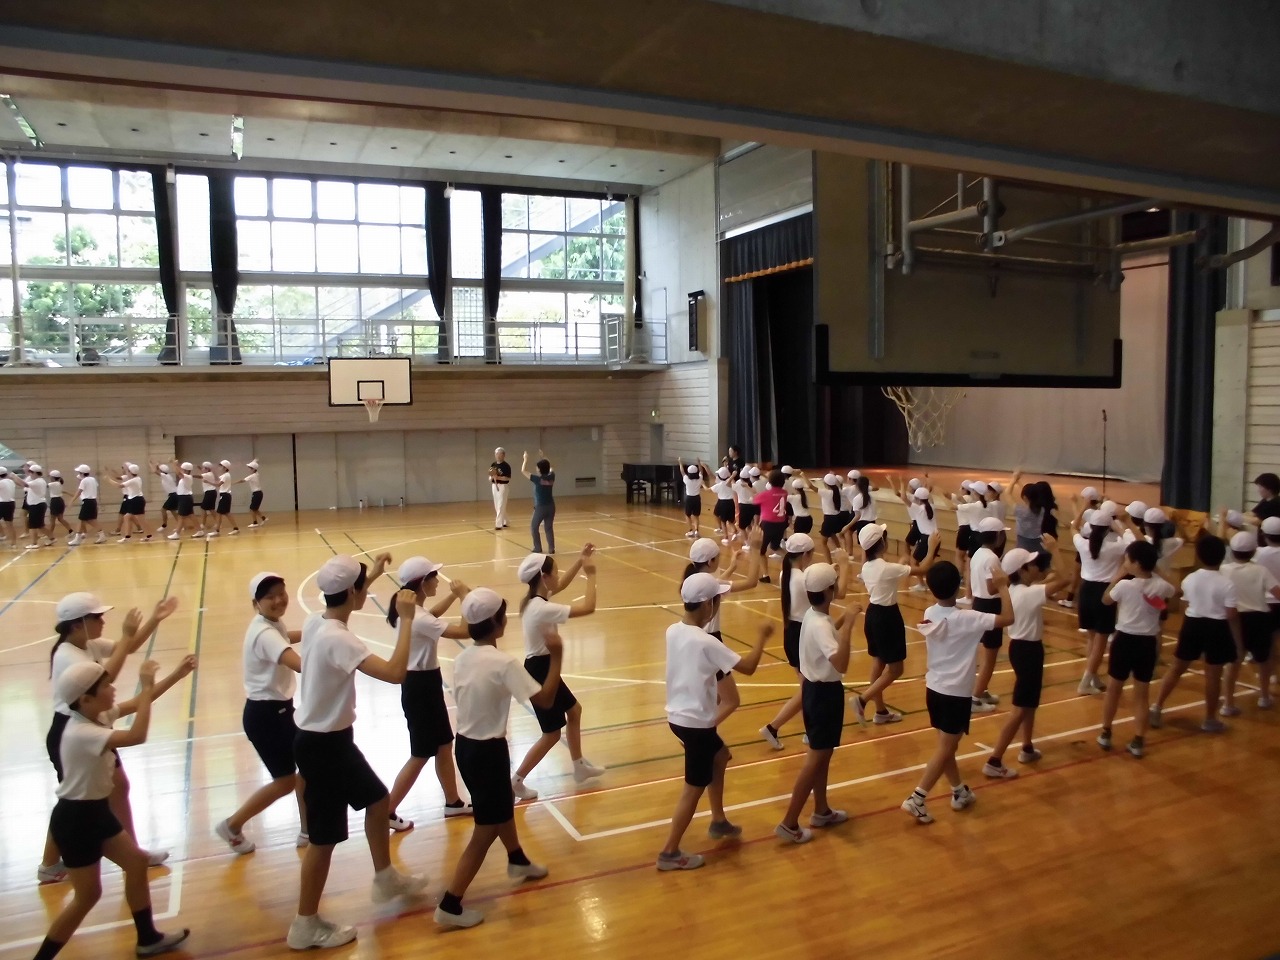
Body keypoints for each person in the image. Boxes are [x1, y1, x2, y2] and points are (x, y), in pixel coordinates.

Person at [288, 554, 426, 951]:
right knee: (323, 839)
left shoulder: (317, 622)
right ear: (352, 592)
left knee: (378, 800)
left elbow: (351, 594)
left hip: (328, 740)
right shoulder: (340, 639)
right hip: (324, 746)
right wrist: (407, 619)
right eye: (362, 585)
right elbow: (396, 673)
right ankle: (304, 924)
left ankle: (385, 878)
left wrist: (375, 571)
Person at [33, 660, 190, 960]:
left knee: (136, 863)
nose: (113, 688)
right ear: (85, 699)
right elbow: (136, 736)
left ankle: (148, 938)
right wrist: (146, 685)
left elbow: (141, 701)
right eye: (106, 685)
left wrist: (176, 675)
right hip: (76, 820)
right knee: (87, 897)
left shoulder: (97, 716)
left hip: (95, 812)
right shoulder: (82, 732)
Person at [433, 588, 560, 929]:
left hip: (466, 748)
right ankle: (450, 903)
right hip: (487, 752)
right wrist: (557, 656)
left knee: (501, 806)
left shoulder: (463, 657)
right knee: (485, 830)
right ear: (496, 623)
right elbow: (545, 701)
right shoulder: (504, 664)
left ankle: (517, 859)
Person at [40, 592, 183, 885]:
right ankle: (49, 864)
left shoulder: (87, 643)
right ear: (77, 624)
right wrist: (128, 633)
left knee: (118, 786)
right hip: (71, 731)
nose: (103, 621)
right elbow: (106, 678)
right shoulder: (67, 655)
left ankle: (133, 852)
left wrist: (155, 619)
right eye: (97, 617)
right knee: (73, 799)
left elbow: (126, 647)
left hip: (92, 721)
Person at [657, 573, 772, 870]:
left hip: (679, 717)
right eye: (717, 600)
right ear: (709, 604)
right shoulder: (706, 642)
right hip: (696, 724)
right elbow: (748, 667)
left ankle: (719, 820)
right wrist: (762, 637)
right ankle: (669, 852)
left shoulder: (673, 630)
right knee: (692, 788)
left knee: (720, 755)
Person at [901, 560, 1013, 825]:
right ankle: (917, 797)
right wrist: (1003, 587)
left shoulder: (931, 611)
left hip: (933, 689)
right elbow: (1009, 618)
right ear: (958, 586)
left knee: (946, 746)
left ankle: (959, 791)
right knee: (945, 748)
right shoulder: (969, 619)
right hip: (955, 694)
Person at [214, 572, 308, 855]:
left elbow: (286, 637)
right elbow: (299, 664)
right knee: (286, 781)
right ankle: (232, 825)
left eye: (281, 593)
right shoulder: (265, 634)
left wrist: (315, 631)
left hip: (277, 711)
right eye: (270, 597)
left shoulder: (270, 624)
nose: (279, 600)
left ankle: (308, 830)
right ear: (256, 603)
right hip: (267, 717)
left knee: (306, 767)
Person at [774, 562, 861, 843]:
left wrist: (843, 620)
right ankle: (789, 822)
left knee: (822, 755)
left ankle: (821, 810)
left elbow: (828, 638)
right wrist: (849, 624)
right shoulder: (821, 623)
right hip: (824, 696)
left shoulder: (812, 615)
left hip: (814, 692)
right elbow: (841, 663)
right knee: (814, 760)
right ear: (829, 591)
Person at [385, 557, 474, 830]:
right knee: (421, 753)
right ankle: (386, 811)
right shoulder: (419, 618)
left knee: (444, 745)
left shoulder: (411, 610)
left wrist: (451, 596)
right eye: (433, 576)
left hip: (425, 684)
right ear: (423, 583)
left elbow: (431, 614)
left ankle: (453, 802)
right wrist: (465, 598)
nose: (437, 580)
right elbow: (465, 631)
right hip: (420, 687)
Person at [511, 546, 603, 800]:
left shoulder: (534, 600)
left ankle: (579, 766)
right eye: (555, 572)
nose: (558, 576)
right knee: (551, 734)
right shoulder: (540, 608)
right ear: (543, 577)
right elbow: (589, 607)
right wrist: (591, 574)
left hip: (542, 666)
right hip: (540, 670)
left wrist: (580, 561)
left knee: (574, 711)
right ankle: (516, 781)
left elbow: (560, 584)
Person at [981, 544, 1070, 777]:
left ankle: (1027, 747)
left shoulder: (1013, 590)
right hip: (1029, 651)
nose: (1036, 567)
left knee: (1029, 703)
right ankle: (994, 760)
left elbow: (1050, 579)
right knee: (1020, 709)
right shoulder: (1030, 594)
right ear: (1022, 570)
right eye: (1031, 565)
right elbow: (1066, 579)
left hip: (1019, 649)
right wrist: (1056, 549)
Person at [761, 534, 850, 748]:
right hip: (801, 633)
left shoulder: (786, 573)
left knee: (806, 688)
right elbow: (840, 593)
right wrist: (845, 566)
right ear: (805, 555)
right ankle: (774, 727)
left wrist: (830, 572)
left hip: (792, 632)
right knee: (808, 690)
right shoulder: (802, 579)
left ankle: (802, 730)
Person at [1150, 536, 1244, 734]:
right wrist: (1238, 642)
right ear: (1222, 557)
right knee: (1213, 676)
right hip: (1217, 628)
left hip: (1192, 624)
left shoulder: (1190, 579)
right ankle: (1210, 719)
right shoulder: (1227, 584)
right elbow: (1231, 615)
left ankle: (1157, 706)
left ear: (1199, 556)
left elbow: (1185, 604)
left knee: (1176, 668)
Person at [1096, 541, 1178, 758]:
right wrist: (1157, 570)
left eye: (1127, 560)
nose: (1125, 563)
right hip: (1148, 643)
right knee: (1142, 694)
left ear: (1136, 563)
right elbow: (1177, 589)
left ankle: (1106, 732)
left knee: (1114, 689)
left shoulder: (1124, 586)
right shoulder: (1160, 586)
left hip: (1124, 641)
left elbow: (1105, 599)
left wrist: (1117, 577)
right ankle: (1139, 739)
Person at [852, 523, 940, 724]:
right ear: (882, 543)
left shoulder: (867, 567)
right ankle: (862, 700)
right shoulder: (887, 568)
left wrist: (901, 563)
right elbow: (924, 568)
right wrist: (932, 547)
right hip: (887, 617)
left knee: (878, 662)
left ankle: (880, 712)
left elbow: (890, 574)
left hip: (872, 615)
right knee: (896, 669)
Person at [683, 530, 763, 728]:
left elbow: (716, 587)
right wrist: (755, 549)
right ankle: (701, 732)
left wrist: (732, 567)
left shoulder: (694, 580)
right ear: (711, 561)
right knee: (731, 700)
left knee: (716, 696)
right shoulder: (712, 582)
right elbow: (751, 582)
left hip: (695, 638)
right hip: (710, 640)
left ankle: (700, 732)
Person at [1220, 530, 1280, 715]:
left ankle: (1228, 703)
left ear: (1232, 551)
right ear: (1254, 551)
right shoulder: (1261, 570)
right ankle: (1264, 696)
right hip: (1259, 619)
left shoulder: (1224, 570)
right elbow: (1277, 593)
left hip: (1234, 619)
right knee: (1264, 659)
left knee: (1233, 662)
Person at [1073, 502, 1126, 693]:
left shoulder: (1082, 544)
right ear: (1107, 529)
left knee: (1092, 639)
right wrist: (1117, 525)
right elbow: (1131, 540)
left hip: (1086, 591)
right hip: (1104, 592)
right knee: (1101, 642)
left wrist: (1082, 507)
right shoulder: (1115, 547)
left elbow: (1073, 527)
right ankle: (1085, 681)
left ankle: (1093, 677)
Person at [969, 515, 1010, 711]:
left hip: (978, 603)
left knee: (985, 653)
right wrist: (1007, 579)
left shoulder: (978, 553)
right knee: (990, 657)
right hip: (990, 606)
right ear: (999, 536)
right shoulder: (992, 558)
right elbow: (992, 588)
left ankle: (982, 689)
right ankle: (975, 699)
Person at [755, 469, 789, 575]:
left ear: (769, 482)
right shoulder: (784, 493)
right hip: (781, 524)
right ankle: (791, 561)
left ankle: (765, 575)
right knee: (775, 546)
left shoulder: (765, 494)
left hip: (767, 524)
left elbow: (755, 500)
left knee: (761, 551)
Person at [523, 450, 556, 554]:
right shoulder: (552, 477)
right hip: (551, 506)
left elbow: (523, 470)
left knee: (534, 527)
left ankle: (538, 547)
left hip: (541, 507)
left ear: (540, 469)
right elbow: (551, 467)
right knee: (548, 528)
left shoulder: (537, 479)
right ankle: (551, 548)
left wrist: (525, 459)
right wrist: (544, 457)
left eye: (537, 468)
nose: (536, 469)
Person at [68, 465, 103, 546]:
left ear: (82, 473)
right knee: (90, 520)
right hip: (93, 501)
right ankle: (102, 535)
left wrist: (72, 500)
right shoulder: (93, 479)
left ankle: (77, 539)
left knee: (81, 520)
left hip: (87, 502)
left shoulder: (84, 481)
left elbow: (79, 491)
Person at [19, 463, 50, 549]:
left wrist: (14, 476)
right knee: (40, 525)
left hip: (37, 505)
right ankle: (52, 538)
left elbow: (24, 484)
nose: (30, 474)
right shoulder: (38, 481)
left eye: (31, 472)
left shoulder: (37, 481)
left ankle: (34, 543)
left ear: (35, 473)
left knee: (32, 525)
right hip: (38, 504)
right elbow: (24, 485)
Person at [167, 462, 200, 541]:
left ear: (186, 470)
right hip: (184, 498)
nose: (181, 470)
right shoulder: (186, 477)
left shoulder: (187, 477)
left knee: (181, 516)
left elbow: (179, 473)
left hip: (185, 498)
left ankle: (177, 533)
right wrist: (176, 465)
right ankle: (199, 530)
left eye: (183, 469)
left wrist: (174, 464)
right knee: (191, 515)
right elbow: (180, 472)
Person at [208, 459, 240, 538]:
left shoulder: (226, 475)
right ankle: (235, 528)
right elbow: (217, 479)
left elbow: (218, 484)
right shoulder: (224, 475)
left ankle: (217, 531)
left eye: (221, 466)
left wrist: (208, 482)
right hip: (225, 496)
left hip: (225, 496)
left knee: (221, 513)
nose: (220, 467)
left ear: (225, 468)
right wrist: (212, 471)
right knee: (225, 513)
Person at [678, 458, 708, 539]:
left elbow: (682, 472)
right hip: (697, 498)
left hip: (689, 498)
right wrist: (698, 463)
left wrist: (680, 462)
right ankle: (697, 530)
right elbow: (701, 471)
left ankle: (691, 530)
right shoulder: (700, 479)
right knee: (696, 515)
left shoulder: (687, 479)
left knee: (688, 515)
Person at [711, 467, 738, 543]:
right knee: (730, 520)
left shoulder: (719, 485)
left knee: (723, 521)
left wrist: (703, 485)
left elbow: (709, 489)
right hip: (730, 502)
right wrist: (732, 476)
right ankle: (735, 532)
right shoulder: (732, 483)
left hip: (722, 503)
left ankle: (726, 537)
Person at [151, 462, 178, 532]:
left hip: (173, 495)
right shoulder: (167, 476)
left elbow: (155, 471)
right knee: (173, 510)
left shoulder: (165, 476)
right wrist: (157, 466)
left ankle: (164, 525)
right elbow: (157, 470)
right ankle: (180, 525)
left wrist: (152, 464)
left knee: (163, 510)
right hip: (174, 495)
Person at [489, 447, 512, 530]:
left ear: (504, 455)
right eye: (496, 454)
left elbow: (507, 478)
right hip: (494, 486)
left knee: (501, 505)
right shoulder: (493, 464)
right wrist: (491, 478)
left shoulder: (506, 466)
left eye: (500, 454)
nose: (498, 456)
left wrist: (498, 477)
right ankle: (506, 521)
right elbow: (490, 475)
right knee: (497, 505)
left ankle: (498, 524)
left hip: (503, 486)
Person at [47, 469, 73, 541]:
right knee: (60, 519)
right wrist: (69, 493)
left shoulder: (52, 484)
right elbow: (62, 491)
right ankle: (71, 531)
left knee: (52, 520)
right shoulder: (59, 483)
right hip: (60, 501)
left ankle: (50, 535)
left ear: (53, 477)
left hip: (55, 502)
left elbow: (43, 486)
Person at [244, 460, 268, 528]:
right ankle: (263, 518)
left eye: (250, 468)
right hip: (259, 493)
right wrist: (254, 462)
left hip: (256, 493)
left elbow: (243, 480)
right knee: (255, 508)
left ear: (253, 469)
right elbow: (255, 468)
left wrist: (233, 483)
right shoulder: (257, 474)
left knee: (252, 509)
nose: (248, 469)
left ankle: (255, 523)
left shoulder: (252, 476)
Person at [197, 461, 218, 535]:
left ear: (207, 469)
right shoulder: (209, 473)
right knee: (211, 509)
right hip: (211, 492)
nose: (202, 469)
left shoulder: (208, 474)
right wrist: (200, 468)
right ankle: (217, 523)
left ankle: (203, 524)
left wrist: (189, 476)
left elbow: (199, 476)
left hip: (210, 493)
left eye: (204, 468)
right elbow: (203, 473)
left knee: (203, 508)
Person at [0, 465, 18, 547]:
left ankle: (3, 535)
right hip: (11, 503)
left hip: (3, 504)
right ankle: (13, 543)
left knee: (9, 524)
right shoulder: (11, 482)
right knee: (10, 524)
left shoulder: (1, 483)